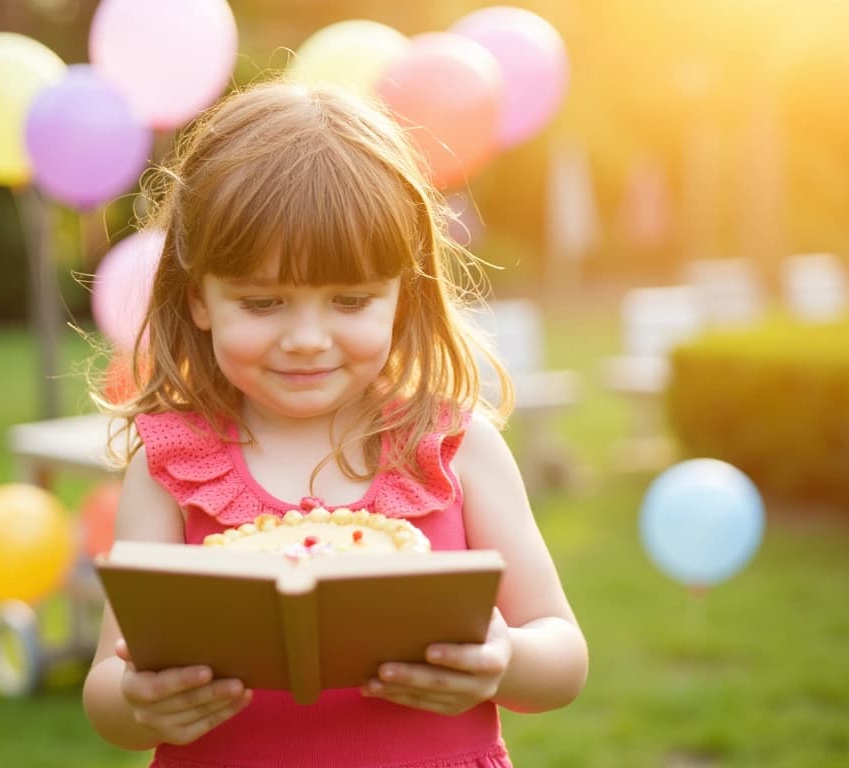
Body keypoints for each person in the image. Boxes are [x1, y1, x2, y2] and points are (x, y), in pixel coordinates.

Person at [82, 80, 587, 768]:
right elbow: (108, 693)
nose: (308, 339)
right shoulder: (172, 467)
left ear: (402, 299)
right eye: (263, 303)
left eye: (350, 299)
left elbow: (561, 649)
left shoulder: (456, 448)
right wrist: (141, 701)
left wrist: (505, 659)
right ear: (199, 298)